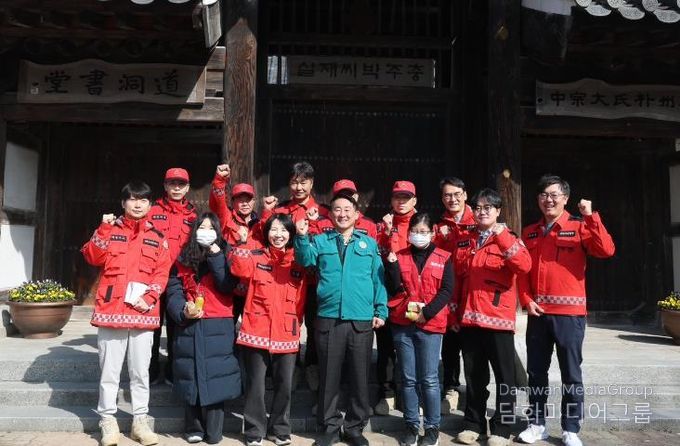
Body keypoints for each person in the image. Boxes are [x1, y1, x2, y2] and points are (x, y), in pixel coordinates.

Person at [517, 175, 615, 446]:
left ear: (565, 198)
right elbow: (522, 271)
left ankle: (571, 428)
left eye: (554, 195)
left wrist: (591, 217)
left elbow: (606, 250)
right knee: (536, 373)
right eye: (543, 195)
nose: (548, 200)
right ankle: (537, 424)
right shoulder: (530, 232)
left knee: (571, 374)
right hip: (538, 314)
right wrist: (525, 299)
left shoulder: (580, 226)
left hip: (569, 315)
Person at [81, 181, 172, 446]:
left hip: (143, 311)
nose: (137, 204)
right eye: (132, 199)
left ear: (150, 204)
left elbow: (162, 272)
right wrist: (103, 228)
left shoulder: (158, 237)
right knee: (109, 372)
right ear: (123, 203)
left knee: (140, 372)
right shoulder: (109, 229)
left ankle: (140, 421)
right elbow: (92, 257)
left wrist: (150, 296)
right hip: (112, 310)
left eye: (143, 200)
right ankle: (107, 421)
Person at [294, 193, 388, 446]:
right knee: (328, 376)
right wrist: (301, 237)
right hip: (329, 317)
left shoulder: (369, 244)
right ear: (330, 214)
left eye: (348, 209)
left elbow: (378, 280)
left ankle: (355, 428)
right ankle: (329, 427)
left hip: (361, 319)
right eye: (337, 209)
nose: (342, 214)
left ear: (357, 214)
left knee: (359, 376)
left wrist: (381, 310)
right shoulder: (320, 240)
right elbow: (304, 260)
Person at [452, 188, 532, 446]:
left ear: (498, 211)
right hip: (470, 320)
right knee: (474, 377)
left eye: (488, 207)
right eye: (478, 207)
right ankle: (472, 424)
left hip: (498, 321)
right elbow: (458, 278)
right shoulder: (466, 240)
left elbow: (524, 265)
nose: (482, 212)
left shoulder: (509, 238)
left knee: (505, 379)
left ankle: (502, 428)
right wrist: (455, 311)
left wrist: (502, 237)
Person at [230, 213, 307, 446]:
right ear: (267, 233)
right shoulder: (256, 256)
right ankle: (254, 430)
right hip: (257, 329)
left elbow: (301, 299)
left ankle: (280, 429)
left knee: (285, 384)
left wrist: (296, 324)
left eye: (284, 230)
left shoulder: (298, 260)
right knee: (256, 384)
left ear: (291, 234)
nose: (278, 235)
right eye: (274, 230)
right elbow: (238, 269)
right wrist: (242, 242)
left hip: (286, 330)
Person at [165, 212, 241, 444]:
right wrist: (182, 310)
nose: (205, 232)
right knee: (191, 374)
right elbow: (173, 290)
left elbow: (227, 285)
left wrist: (216, 255)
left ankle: (214, 430)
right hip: (189, 321)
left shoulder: (227, 254)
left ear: (218, 232)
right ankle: (193, 427)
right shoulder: (183, 258)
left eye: (211, 228)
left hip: (218, 321)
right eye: (201, 227)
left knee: (217, 375)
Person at [384, 213, 454, 446]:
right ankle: (411, 425)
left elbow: (447, 290)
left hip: (431, 325)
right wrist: (391, 266)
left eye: (424, 231)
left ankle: (432, 428)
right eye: (415, 231)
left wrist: (428, 312)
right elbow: (394, 287)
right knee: (408, 378)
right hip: (403, 323)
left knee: (430, 379)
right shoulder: (400, 255)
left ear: (432, 233)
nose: (419, 235)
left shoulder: (444, 257)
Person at [261, 161, 329, 392]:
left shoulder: (324, 212)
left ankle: (312, 366)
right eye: (294, 182)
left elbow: (326, 242)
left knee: (315, 324)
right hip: (287, 279)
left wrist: (315, 223)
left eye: (303, 182)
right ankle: (289, 367)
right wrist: (267, 212)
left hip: (315, 280)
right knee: (288, 322)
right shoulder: (280, 210)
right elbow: (266, 236)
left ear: (312, 183)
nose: (299, 187)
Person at [147, 167, 198, 385]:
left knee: (177, 325)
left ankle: (172, 371)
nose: (176, 188)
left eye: (181, 184)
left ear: (187, 188)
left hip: (180, 278)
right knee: (152, 325)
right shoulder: (151, 211)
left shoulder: (193, 215)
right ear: (165, 186)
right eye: (172, 184)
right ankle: (150, 370)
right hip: (153, 276)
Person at [374, 180, 418, 415]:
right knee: (385, 347)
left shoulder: (421, 225)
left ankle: (409, 395)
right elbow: (378, 254)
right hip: (386, 292)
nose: (401, 202)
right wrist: (388, 231)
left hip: (413, 294)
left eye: (406, 197)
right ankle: (387, 393)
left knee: (411, 346)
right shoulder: (382, 225)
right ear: (391, 200)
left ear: (414, 200)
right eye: (397, 197)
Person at [432, 177, 476, 414]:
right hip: (449, 295)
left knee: (472, 351)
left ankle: (474, 395)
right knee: (449, 347)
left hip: (473, 295)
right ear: (442, 198)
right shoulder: (439, 226)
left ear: (465, 195)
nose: (453, 199)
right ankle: (450, 389)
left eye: (457, 194)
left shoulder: (478, 221)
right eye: (447, 195)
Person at [209, 163, 261, 321]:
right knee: (227, 326)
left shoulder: (260, 225)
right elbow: (218, 200)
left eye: (248, 200)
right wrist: (220, 180)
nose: (245, 203)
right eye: (240, 200)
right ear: (233, 202)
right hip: (230, 285)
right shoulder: (226, 218)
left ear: (254, 202)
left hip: (252, 287)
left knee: (250, 328)